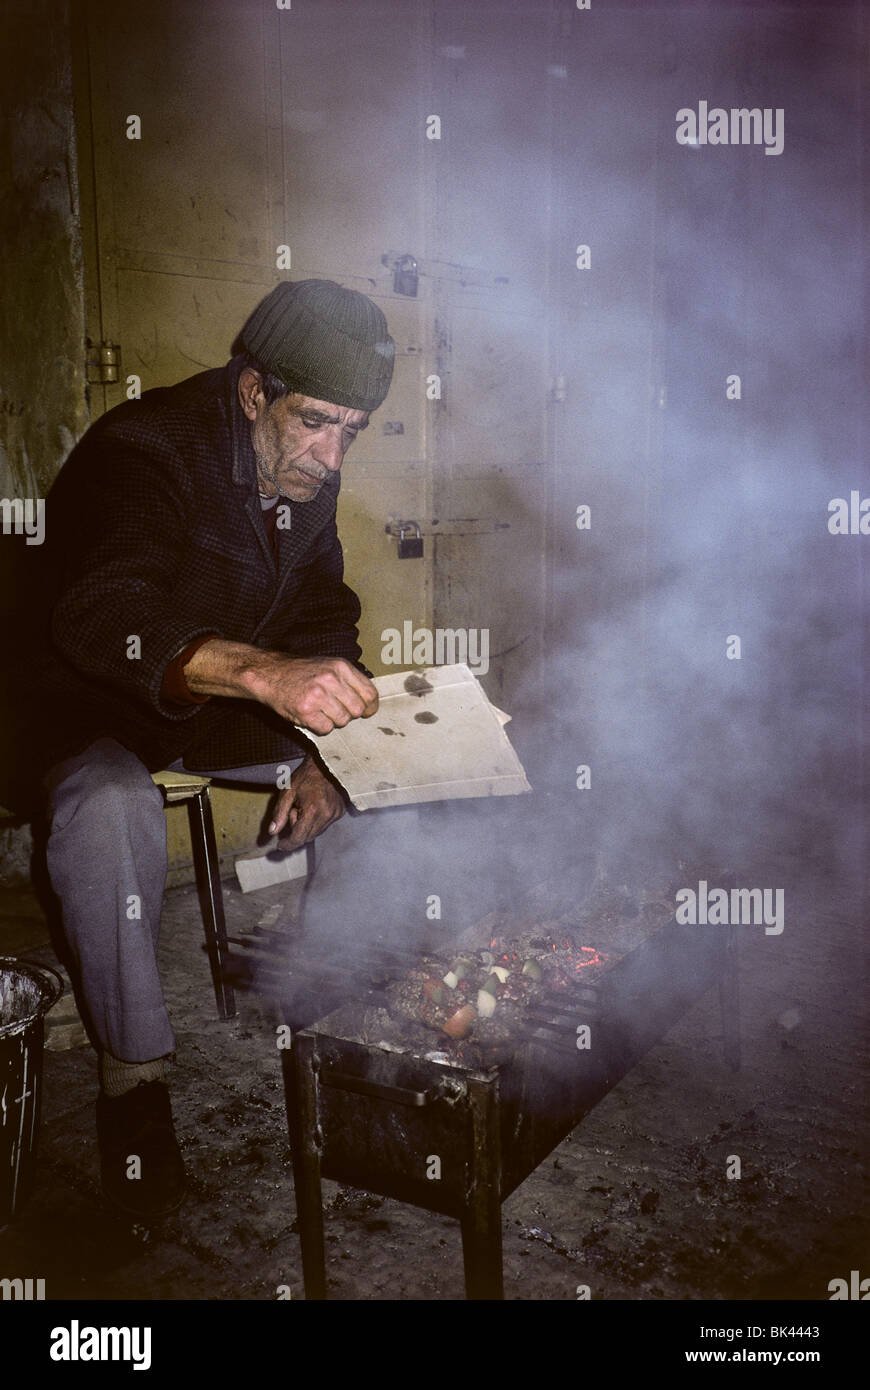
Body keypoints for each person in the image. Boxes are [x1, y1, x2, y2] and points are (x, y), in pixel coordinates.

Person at [10, 279, 395, 1219]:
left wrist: (324, 751)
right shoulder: (145, 447)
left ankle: (343, 1013)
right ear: (253, 390)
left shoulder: (308, 467)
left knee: (378, 767)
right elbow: (112, 616)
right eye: (315, 422)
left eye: (352, 430)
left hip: (201, 707)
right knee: (110, 809)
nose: (331, 453)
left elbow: (323, 615)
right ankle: (134, 1092)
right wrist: (268, 676)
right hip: (77, 707)